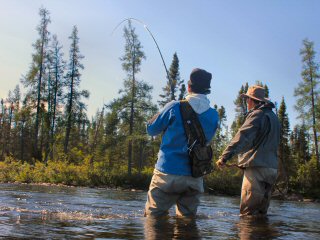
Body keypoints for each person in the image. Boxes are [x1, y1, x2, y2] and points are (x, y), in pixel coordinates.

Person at [144, 68, 219, 217]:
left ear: (189, 87)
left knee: (153, 220)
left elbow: (151, 130)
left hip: (167, 174)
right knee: (187, 223)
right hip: (194, 178)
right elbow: (206, 141)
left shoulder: (174, 106)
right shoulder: (214, 115)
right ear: (207, 90)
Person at [216, 85, 280, 216]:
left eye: (247, 100)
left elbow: (242, 137)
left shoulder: (257, 114)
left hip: (257, 170)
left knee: (248, 215)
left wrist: (224, 157)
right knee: (261, 214)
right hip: (271, 170)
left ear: (251, 100)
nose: (246, 102)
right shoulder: (274, 117)